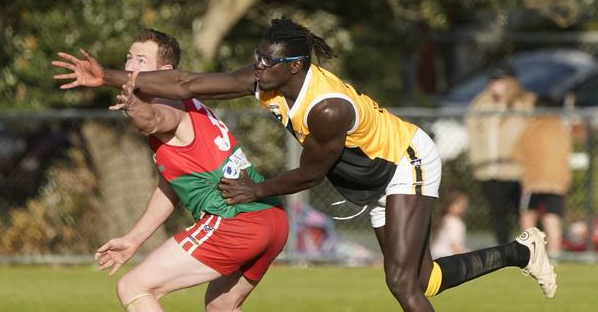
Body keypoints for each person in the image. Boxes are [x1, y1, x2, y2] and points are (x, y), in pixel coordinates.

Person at [53, 18, 557, 311]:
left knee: (402, 285)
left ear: (296, 66)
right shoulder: (269, 78)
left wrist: (255, 190)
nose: (259, 67)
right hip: (370, 173)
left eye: (268, 62)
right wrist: (108, 77)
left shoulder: (327, 106)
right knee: (419, 280)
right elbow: (185, 83)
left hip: (403, 160)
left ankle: (519, 253)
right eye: (257, 58)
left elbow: (311, 175)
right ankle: (520, 252)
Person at [57, 29, 288, 312]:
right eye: (129, 58)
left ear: (165, 71)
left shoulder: (167, 102)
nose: (130, 66)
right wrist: (133, 240)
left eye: (141, 60)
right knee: (221, 306)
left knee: (133, 287)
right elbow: (170, 186)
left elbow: (154, 120)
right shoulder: (189, 103)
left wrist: (133, 105)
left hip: (235, 222)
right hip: (271, 219)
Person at [465, 66, 536, 244]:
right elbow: (472, 127)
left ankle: (531, 250)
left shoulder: (522, 104)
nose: (493, 85)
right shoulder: (483, 104)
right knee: (499, 214)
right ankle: (504, 252)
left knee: (524, 212)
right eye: (492, 81)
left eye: (498, 81)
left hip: (516, 170)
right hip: (489, 169)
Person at [513, 95, 572, 263]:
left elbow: (517, 153)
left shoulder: (531, 128)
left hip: (534, 181)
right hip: (557, 182)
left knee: (527, 218)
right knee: (552, 221)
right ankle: (554, 256)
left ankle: (529, 256)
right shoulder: (561, 129)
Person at [430, 189, 469, 259]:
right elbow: (455, 245)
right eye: (460, 204)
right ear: (449, 204)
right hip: (446, 257)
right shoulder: (455, 222)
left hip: (435, 256)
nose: (463, 207)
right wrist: (467, 257)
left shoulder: (443, 219)